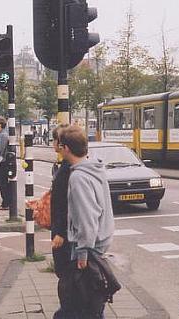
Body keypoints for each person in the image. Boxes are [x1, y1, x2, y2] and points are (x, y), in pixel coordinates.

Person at [54, 125, 115, 319]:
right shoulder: (95, 168)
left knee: (79, 303)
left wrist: (81, 253)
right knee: (91, 300)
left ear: (66, 148)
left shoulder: (78, 177)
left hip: (88, 247)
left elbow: (87, 218)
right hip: (101, 240)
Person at [50, 124, 71, 279]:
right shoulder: (62, 166)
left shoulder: (67, 170)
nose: (53, 144)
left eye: (54, 140)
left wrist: (60, 233)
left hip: (63, 234)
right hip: (60, 229)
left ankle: (68, 303)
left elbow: (67, 203)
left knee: (65, 271)